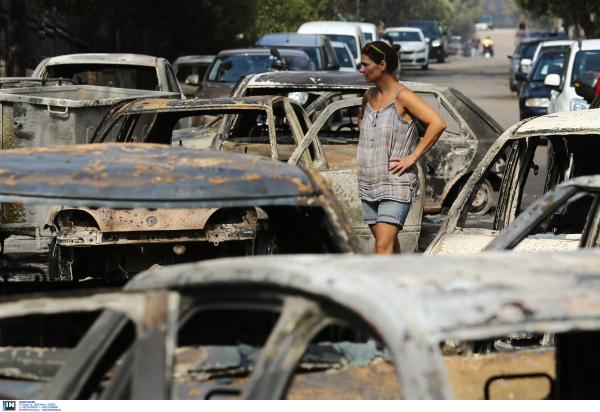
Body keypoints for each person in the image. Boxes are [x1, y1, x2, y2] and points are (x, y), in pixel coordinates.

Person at [357, 41, 446, 254]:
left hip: (395, 185)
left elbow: (438, 123)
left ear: (382, 65)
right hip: (368, 184)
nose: (361, 69)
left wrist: (412, 157)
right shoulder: (368, 95)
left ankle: (373, 288)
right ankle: (403, 284)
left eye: (365, 64)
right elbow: (361, 122)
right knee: (389, 247)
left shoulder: (403, 96)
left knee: (381, 248)